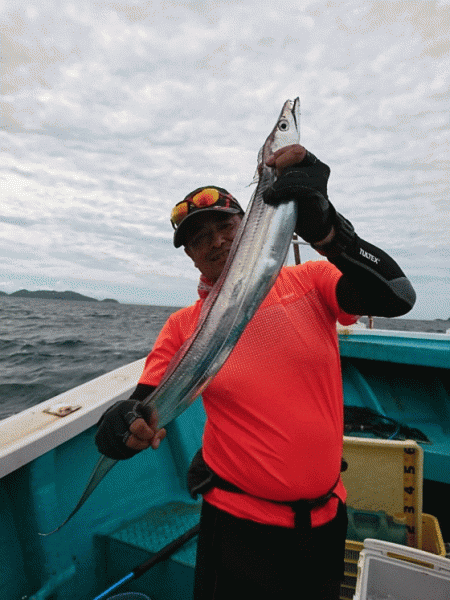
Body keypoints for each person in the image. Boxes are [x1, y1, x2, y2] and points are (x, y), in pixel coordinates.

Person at [95, 144, 416, 600]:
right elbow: (143, 407)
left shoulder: (309, 283)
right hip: (238, 530)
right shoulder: (182, 327)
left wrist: (329, 233)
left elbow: (397, 297)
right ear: (188, 255)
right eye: (198, 238)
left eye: (225, 225)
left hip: (326, 521)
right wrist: (120, 426)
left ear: (250, 225)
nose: (216, 242)